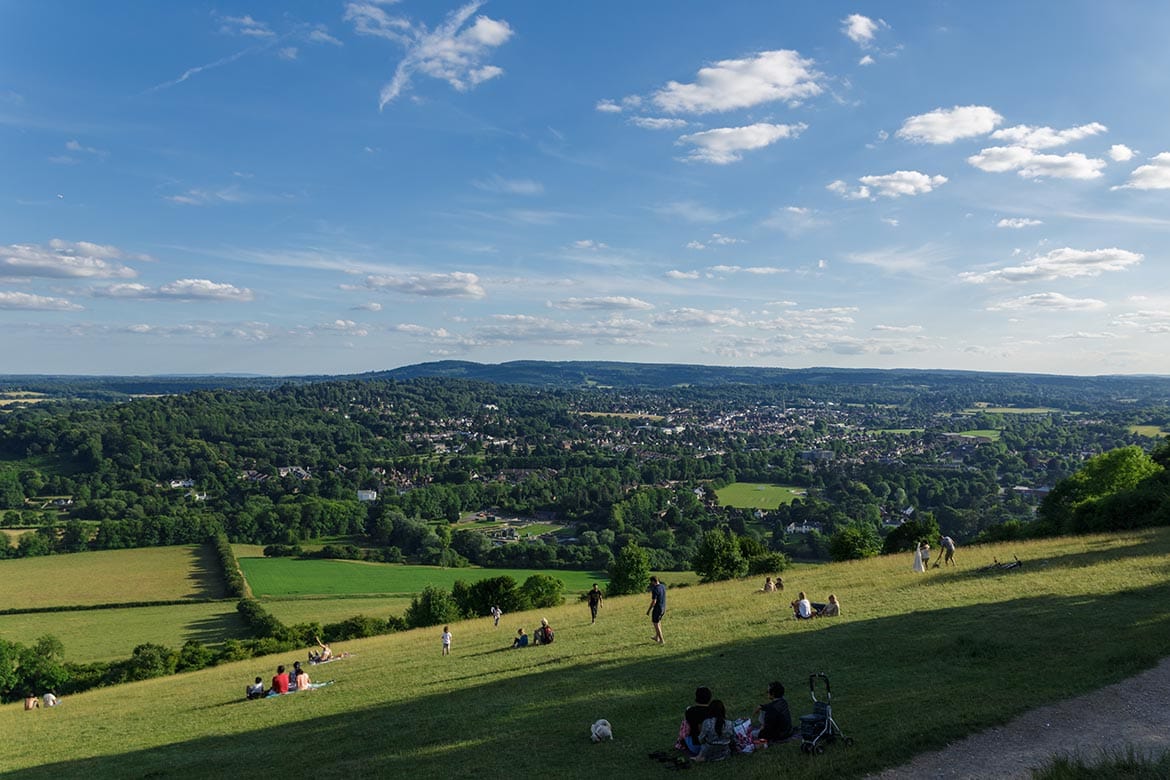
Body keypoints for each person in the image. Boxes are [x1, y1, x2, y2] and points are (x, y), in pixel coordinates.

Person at [680, 686, 713, 756]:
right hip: (713, 745)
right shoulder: (714, 711)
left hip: (696, 747)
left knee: (686, 723)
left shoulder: (690, 711)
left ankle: (681, 742)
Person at [647, 575, 666, 644]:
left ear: (653, 581)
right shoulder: (663, 586)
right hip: (663, 607)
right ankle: (656, 637)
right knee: (658, 622)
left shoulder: (655, 589)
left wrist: (649, 610)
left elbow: (654, 601)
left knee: (656, 624)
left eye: (651, 582)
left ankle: (661, 640)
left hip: (657, 608)